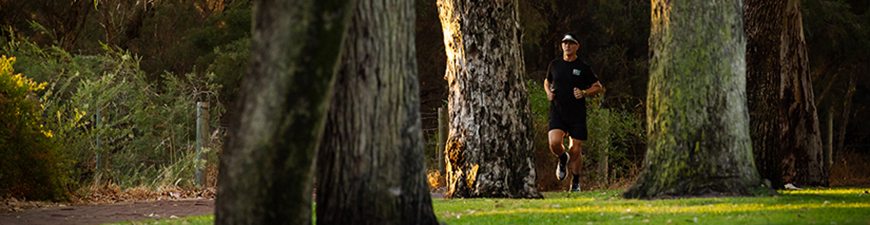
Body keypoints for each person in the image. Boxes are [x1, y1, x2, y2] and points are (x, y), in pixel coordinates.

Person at [544, 32, 603, 192]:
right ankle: (562, 158)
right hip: (558, 111)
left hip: (576, 114)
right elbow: (547, 81)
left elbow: (598, 87)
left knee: (575, 149)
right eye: (565, 43)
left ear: (577, 46)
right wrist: (548, 92)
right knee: (554, 143)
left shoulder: (583, 68)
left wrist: (584, 92)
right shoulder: (554, 64)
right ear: (562, 45)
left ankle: (575, 182)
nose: (567, 46)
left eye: (571, 43)